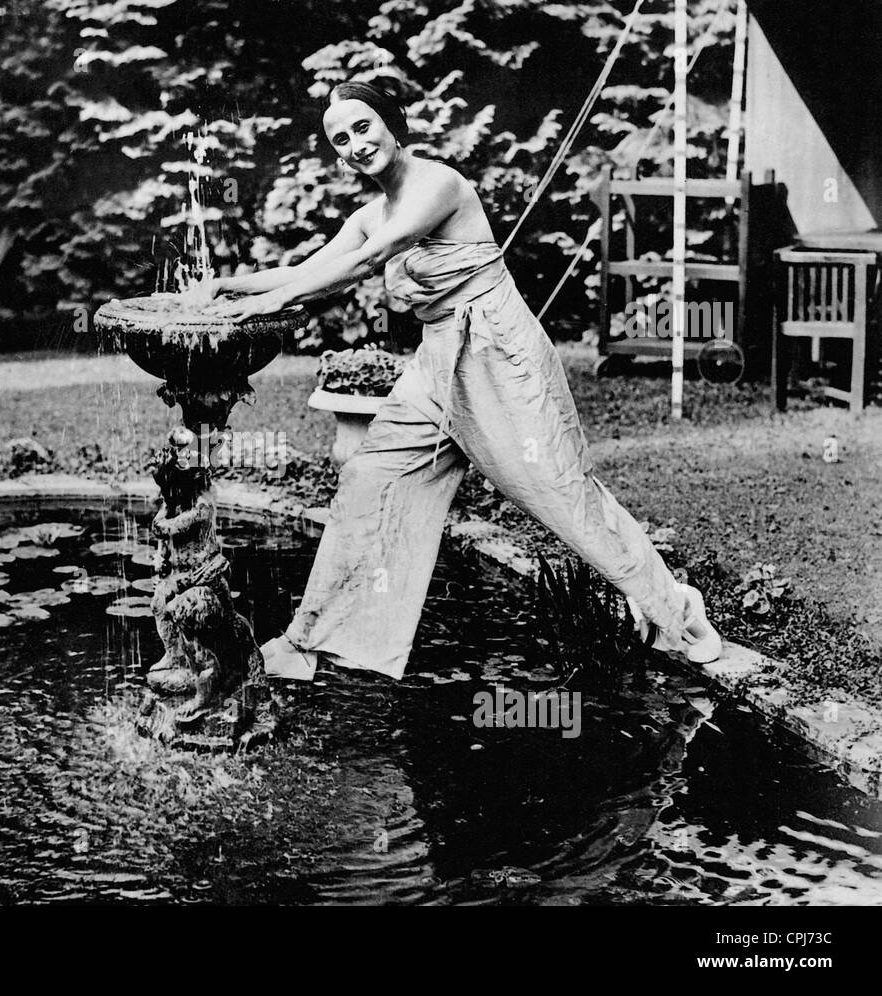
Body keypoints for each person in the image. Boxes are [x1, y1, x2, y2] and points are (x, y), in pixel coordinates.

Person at [204, 79, 723, 682]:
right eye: (340, 138)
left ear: (394, 127)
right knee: (370, 479)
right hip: (436, 365)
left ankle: (677, 610)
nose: (354, 144)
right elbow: (314, 268)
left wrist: (279, 297)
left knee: (563, 498)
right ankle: (309, 641)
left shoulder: (440, 184)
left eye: (363, 127)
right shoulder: (369, 213)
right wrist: (230, 288)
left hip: (498, 355)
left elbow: (372, 261)